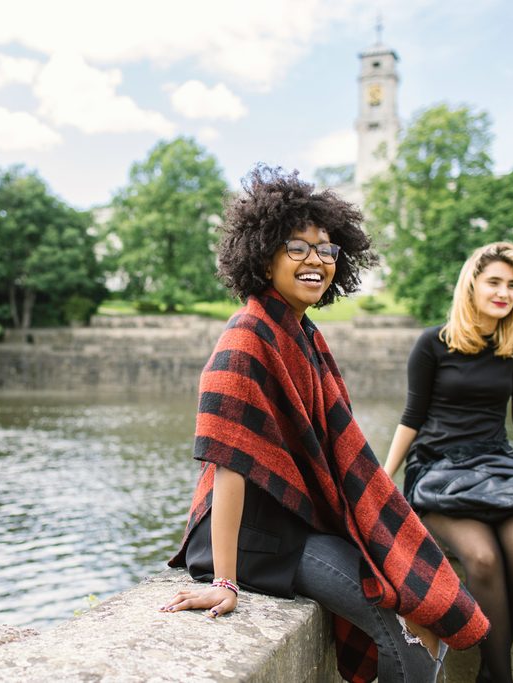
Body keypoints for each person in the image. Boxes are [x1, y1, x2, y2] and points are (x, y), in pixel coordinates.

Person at [162, 166, 489, 683]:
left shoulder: (304, 335)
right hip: (252, 537)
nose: (316, 260)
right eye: (297, 247)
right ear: (262, 253)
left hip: (294, 524)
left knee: (421, 599)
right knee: (399, 613)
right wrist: (224, 581)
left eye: (327, 249)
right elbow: (229, 464)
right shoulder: (246, 337)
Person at [383, 242, 513, 682]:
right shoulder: (432, 343)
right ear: (471, 284)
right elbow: (412, 418)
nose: (505, 293)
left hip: (495, 465)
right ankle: (503, 677)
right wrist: (383, 481)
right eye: (495, 281)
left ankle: (490, 676)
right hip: (437, 469)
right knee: (483, 558)